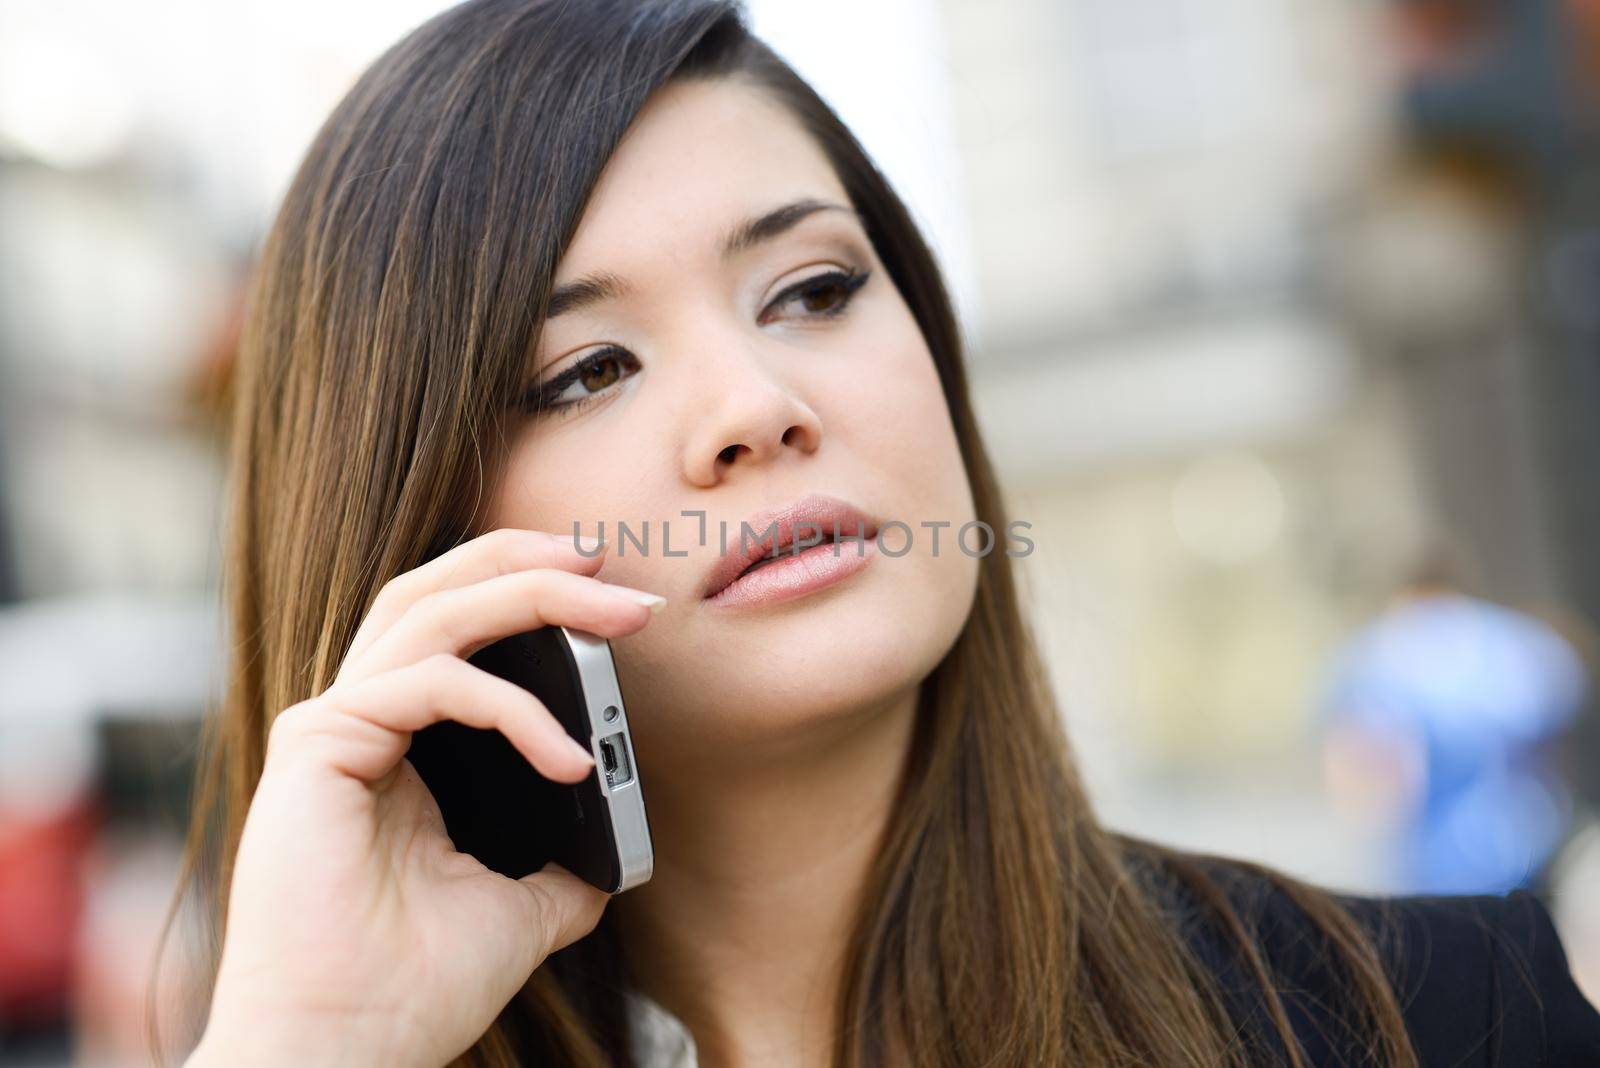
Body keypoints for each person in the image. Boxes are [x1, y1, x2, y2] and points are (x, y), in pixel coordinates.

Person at [153, 2, 1600, 1065]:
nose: (755, 405)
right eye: (585, 370)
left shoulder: (1445, 1019)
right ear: (419, 540)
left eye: (814, 288)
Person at [1322, 555, 1590, 896]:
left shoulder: (1378, 654)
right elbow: (1557, 733)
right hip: (1527, 845)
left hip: (1433, 867)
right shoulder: (1521, 643)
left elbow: (1368, 770)